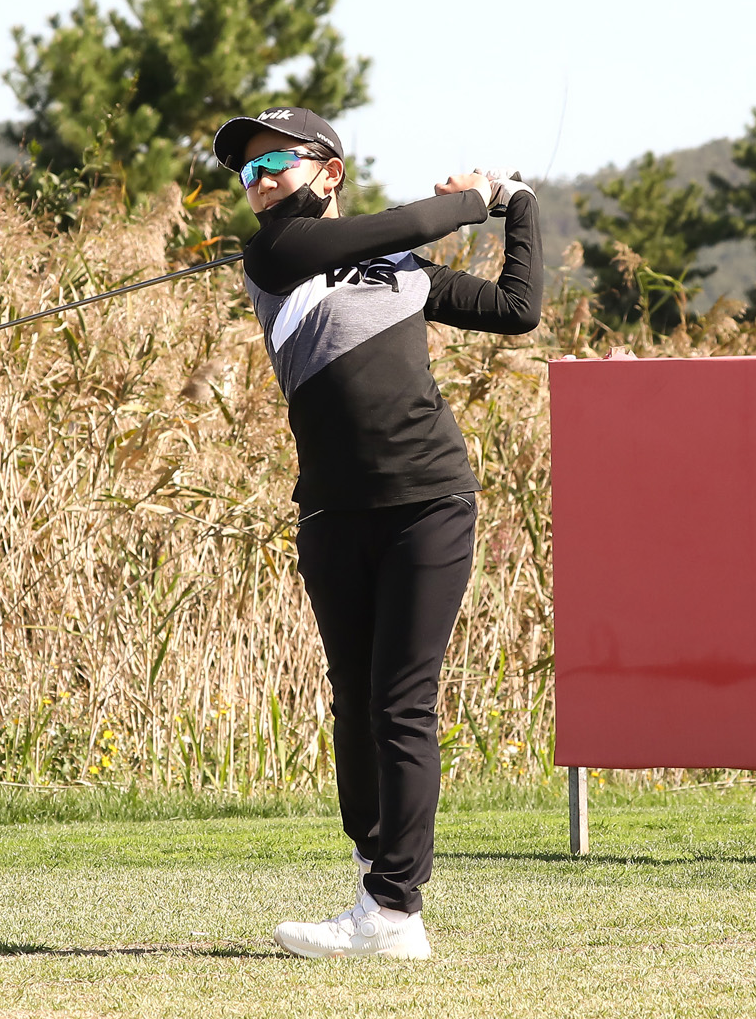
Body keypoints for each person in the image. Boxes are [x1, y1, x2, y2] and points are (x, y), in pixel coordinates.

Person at [210, 106, 541, 960]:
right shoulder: (274, 254)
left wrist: (519, 204)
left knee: (400, 700)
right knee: (352, 699)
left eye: (274, 161)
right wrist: (473, 199)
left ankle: (395, 910)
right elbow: (402, 221)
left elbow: (517, 307)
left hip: (430, 499)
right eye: (246, 172)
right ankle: (373, 873)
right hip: (330, 508)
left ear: (329, 169)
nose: (259, 181)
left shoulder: (400, 271)